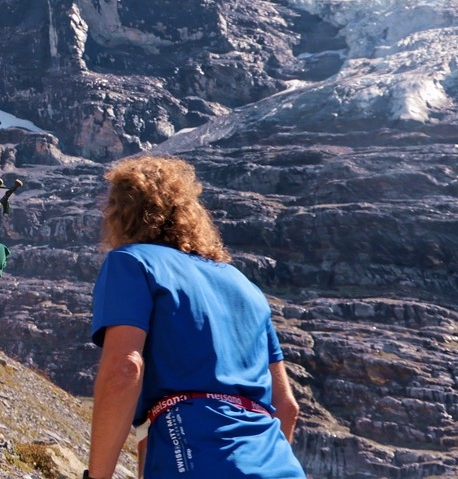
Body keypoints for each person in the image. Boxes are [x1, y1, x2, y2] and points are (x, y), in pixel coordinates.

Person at [86, 155, 304, 479]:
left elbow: (124, 367)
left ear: (121, 213)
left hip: (197, 456)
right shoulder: (245, 286)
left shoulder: (132, 263)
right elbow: (286, 407)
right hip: (279, 464)